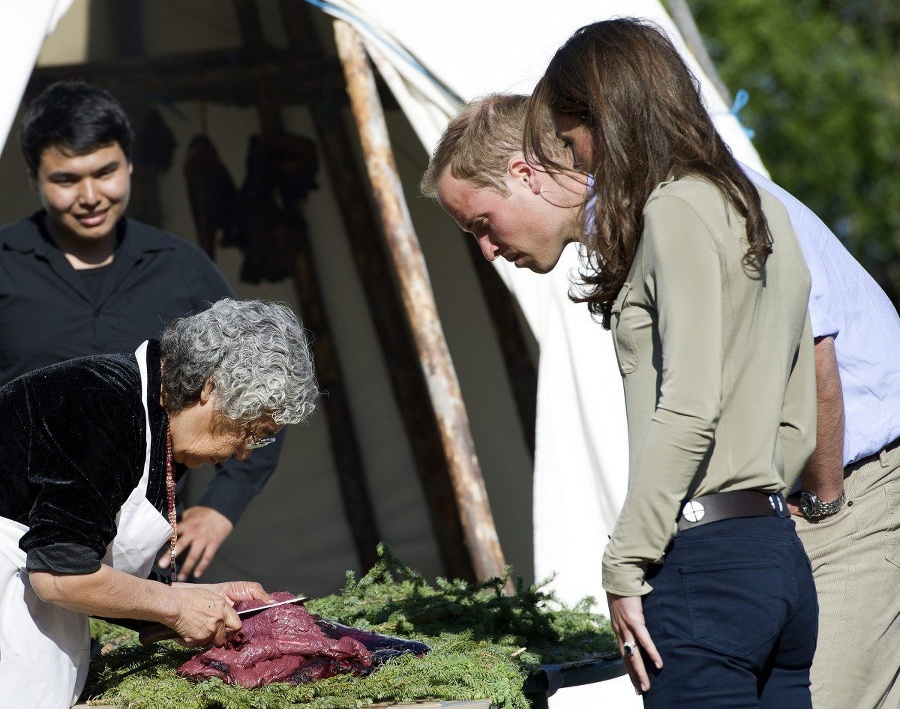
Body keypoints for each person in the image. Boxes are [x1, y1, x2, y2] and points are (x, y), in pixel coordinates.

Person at [426, 94, 900, 709]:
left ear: (525, 172)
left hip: (850, 497)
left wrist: (821, 506)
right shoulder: (645, 218)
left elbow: (813, 350)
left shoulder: (696, 204)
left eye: (482, 223)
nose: (487, 250)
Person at [0, 80, 280, 581]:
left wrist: (222, 506)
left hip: (149, 568)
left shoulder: (182, 269)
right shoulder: (3, 268)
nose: (90, 196)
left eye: (105, 172)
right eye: (66, 179)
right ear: (33, 179)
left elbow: (260, 391)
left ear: (128, 163)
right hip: (20, 561)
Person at [0, 297, 318, 707]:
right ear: (210, 389)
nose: (244, 453)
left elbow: (90, 564)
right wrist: (174, 606)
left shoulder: (161, 425)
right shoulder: (102, 401)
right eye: (250, 431)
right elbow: (61, 572)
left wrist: (204, 599)